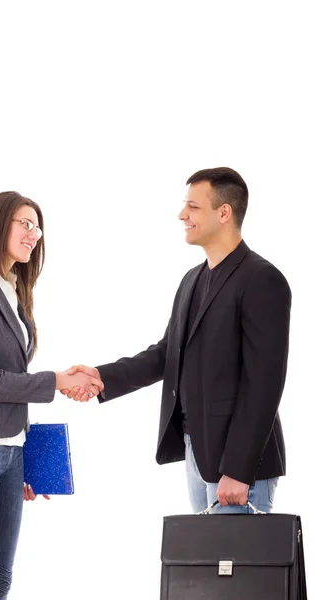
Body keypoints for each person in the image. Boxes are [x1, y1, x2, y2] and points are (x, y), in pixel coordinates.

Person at [63, 167, 291, 514]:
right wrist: (100, 376)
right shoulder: (192, 280)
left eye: (193, 207)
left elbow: (264, 384)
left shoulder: (263, 280)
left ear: (224, 212)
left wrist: (238, 469)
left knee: (240, 566)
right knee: (206, 567)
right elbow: (166, 354)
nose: (182, 215)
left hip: (238, 465)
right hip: (197, 452)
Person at [0, 191, 104, 600]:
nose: (34, 234)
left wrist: (23, 451)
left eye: (37, 226)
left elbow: (13, 375)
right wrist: (59, 380)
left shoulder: (13, 289)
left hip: (9, 452)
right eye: (24, 224)